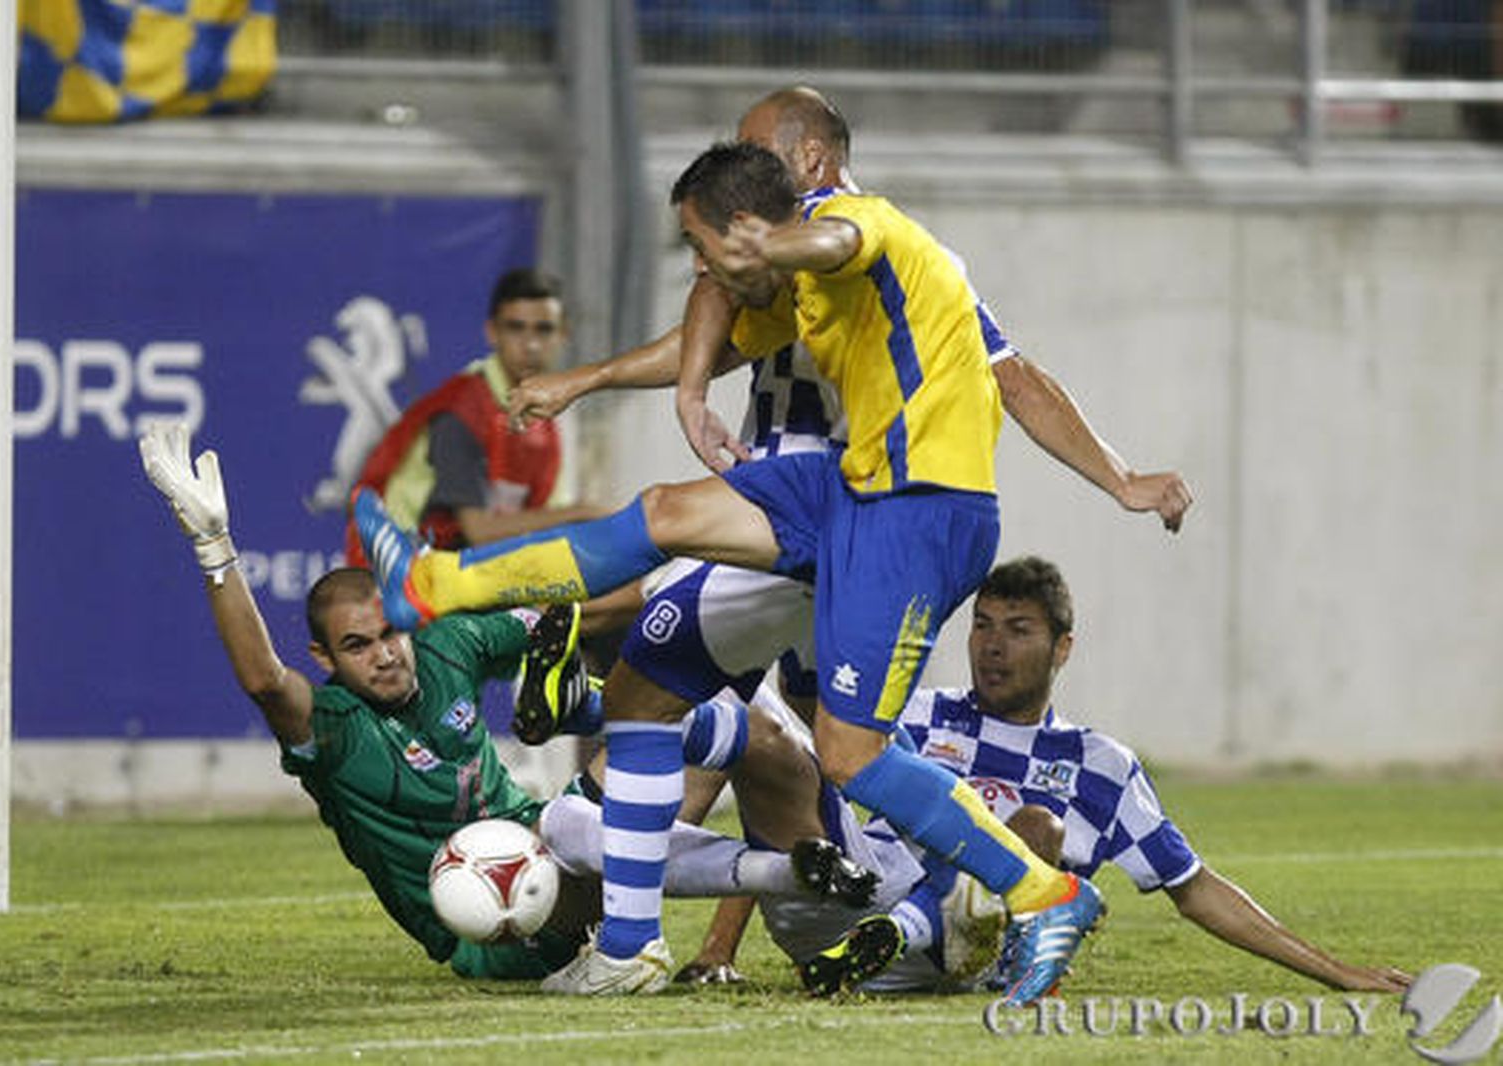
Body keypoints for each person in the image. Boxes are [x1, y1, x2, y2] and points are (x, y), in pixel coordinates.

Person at [354, 136, 1193, 1004]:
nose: (700, 265)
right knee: (664, 517)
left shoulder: (864, 227)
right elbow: (709, 334)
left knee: (850, 753)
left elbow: (836, 243)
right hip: (850, 484)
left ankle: (1041, 892)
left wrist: (771, 243)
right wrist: (606, 382)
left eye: (702, 243)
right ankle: (434, 585)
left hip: (921, 512)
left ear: (778, 196)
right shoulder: (799, 296)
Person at [136, 422, 875, 981]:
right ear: (325, 660)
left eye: (391, 632)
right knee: (585, 826)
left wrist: (691, 573)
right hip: (485, 925)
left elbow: (574, 607)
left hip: (549, 835)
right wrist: (215, 549)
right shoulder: (332, 729)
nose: (387, 653)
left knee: (731, 726)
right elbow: (265, 680)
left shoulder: (445, 645)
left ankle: (766, 899)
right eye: (357, 647)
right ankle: (686, 896)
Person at [700, 557, 1412, 997]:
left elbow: (1195, 888)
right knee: (769, 736)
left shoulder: (1099, 765)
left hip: (961, 956)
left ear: (1063, 647)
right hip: (847, 905)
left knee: (1032, 830)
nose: (992, 645)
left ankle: (912, 930)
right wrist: (718, 951)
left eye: (1018, 628)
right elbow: (795, 809)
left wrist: (1336, 971)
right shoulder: (913, 714)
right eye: (982, 625)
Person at [345, 268, 603, 566]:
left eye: (543, 329)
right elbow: (480, 531)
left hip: (471, 570)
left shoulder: (552, 419)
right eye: (516, 328)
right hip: (401, 577)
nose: (531, 345)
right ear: (492, 332)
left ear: (563, 335)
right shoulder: (462, 410)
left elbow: (546, 520)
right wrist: (581, 512)